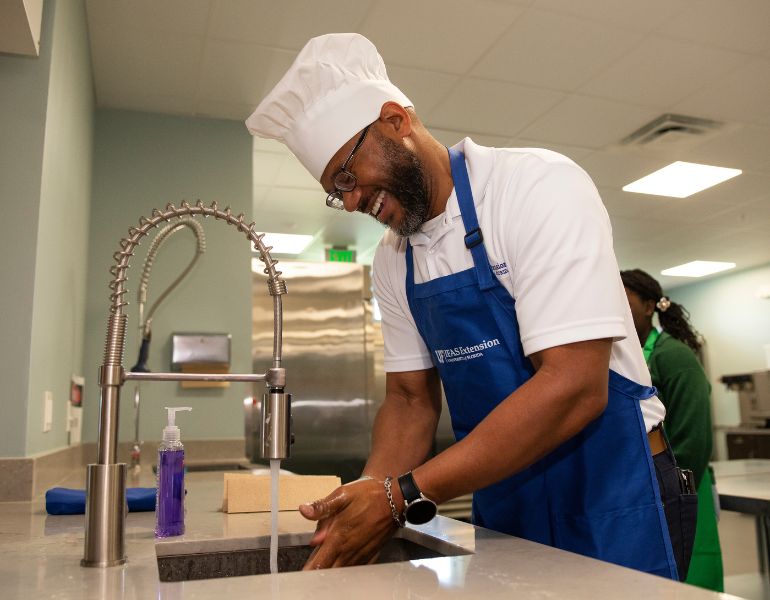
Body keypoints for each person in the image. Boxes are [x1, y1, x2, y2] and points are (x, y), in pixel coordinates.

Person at [246, 33, 696, 579]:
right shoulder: (394, 260)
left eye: (347, 176)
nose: (350, 202)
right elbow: (410, 402)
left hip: (613, 487)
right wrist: (362, 501)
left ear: (395, 121)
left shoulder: (533, 188)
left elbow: (575, 386)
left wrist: (399, 495)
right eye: (335, 193)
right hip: (504, 496)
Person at [621, 269, 723, 591]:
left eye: (624, 298)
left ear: (649, 306)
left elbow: (695, 436)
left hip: (681, 483)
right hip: (647, 486)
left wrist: (668, 487)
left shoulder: (673, 355)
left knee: (690, 573)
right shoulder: (627, 357)